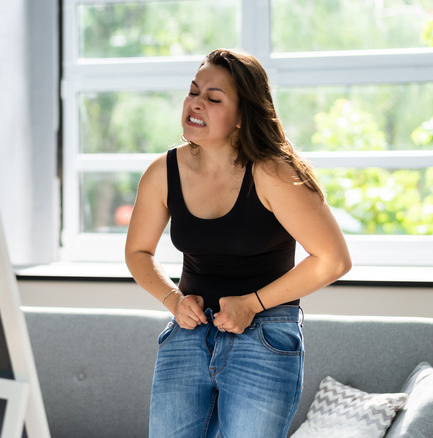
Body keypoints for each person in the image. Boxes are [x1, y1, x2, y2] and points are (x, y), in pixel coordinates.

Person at [124, 48, 352, 438]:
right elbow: (137, 252)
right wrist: (173, 299)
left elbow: (333, 260)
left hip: (264, 335)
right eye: (194, 91)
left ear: (243, 115)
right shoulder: (164, 171)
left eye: (213, 98)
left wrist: (251, 304)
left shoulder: (271, 172)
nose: (196, 103)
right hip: (189, 332)